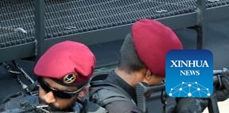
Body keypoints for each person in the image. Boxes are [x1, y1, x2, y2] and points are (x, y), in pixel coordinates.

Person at [88, 18, 229, 112]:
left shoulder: (105, 88)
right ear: (148, 74)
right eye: (163, 78)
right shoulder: (120, 108)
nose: (165, 81)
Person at [0, 41, 95, 113]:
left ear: (83, 92)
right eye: (44, 86)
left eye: (61, 94)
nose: (48, 98)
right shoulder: (10, 109)